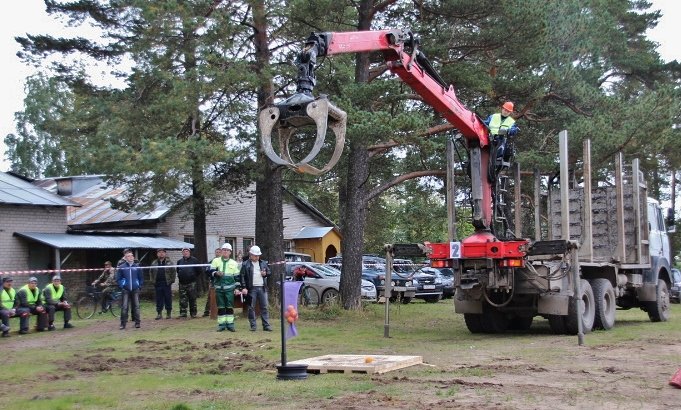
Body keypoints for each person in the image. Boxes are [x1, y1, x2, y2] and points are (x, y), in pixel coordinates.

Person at [209, 243, 242, 332]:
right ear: (221, 251)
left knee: (229, 306)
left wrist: (237, 288)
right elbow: (210, 272)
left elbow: (237, 277)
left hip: (230, 289)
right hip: (219, 288)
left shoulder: (234, 263)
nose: (225, 252)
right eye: (224, 250)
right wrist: (216, 273)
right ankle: (221, 325)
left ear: (230, 252)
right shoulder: (216, 261)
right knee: (221, 307)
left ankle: (230, 324)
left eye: (227, 250)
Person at [239, 245, 272, 332]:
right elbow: (242, 276)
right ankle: (253, 326)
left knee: (264, 307)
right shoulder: (245, 264)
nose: (257, 257)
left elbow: (269, 272)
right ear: (251, 255)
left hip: (262, 288)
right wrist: (244, 287)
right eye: (255, 255)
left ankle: (266, 326)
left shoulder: (263, 263)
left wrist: (265, 273)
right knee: (251, 307)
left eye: (258, 255)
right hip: (251, 289)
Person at [116, 249, 144, 330]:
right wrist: (122, 285)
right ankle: (122, 324)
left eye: (131, 256)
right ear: (125, 258)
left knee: (136, 306)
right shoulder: (121, 267)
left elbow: (141, 278)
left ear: (133, 257)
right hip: (125, 290)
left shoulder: (137, 267)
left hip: (135, 289)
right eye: (128, 256)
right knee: (124, 307)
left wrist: (139, 285)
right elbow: (118, 278)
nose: (130, 257)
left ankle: (137, 323)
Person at [150, 248, 177, 320]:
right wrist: (153, 281)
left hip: (167, 284)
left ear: (165, 254)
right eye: (159, 252)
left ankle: (168, 313)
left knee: (168, 298)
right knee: (159, 299)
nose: (161, 253)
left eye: (162, 252)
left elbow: (173, 272)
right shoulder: (154, 263)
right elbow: (151, 272)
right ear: (157, 254)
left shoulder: (170, 262)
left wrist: (171, 281)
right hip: (158, 284)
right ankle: (159, 314)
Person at [176, 247, 202, 318]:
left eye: (187, 251)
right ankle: (183, 314)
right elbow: (178, 270)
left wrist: (193, 276)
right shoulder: (179, 261)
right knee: (182, 299)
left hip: (191, 283)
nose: (185, 252)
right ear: (182, 253)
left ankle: (193, 313)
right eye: (184, 251)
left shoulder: (194, 260)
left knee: (192, 298)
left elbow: (199, 271)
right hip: (182, 283)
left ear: (189, 252)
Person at [203, 247, 222, 317]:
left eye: (219, 252)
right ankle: (206, 312)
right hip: (213, 281)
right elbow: (207, 270)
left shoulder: (224, 261)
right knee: (210, 296)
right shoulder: (212, 261)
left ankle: (220, 311)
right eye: (216, 252)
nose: (218, 253)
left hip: (222, 281)